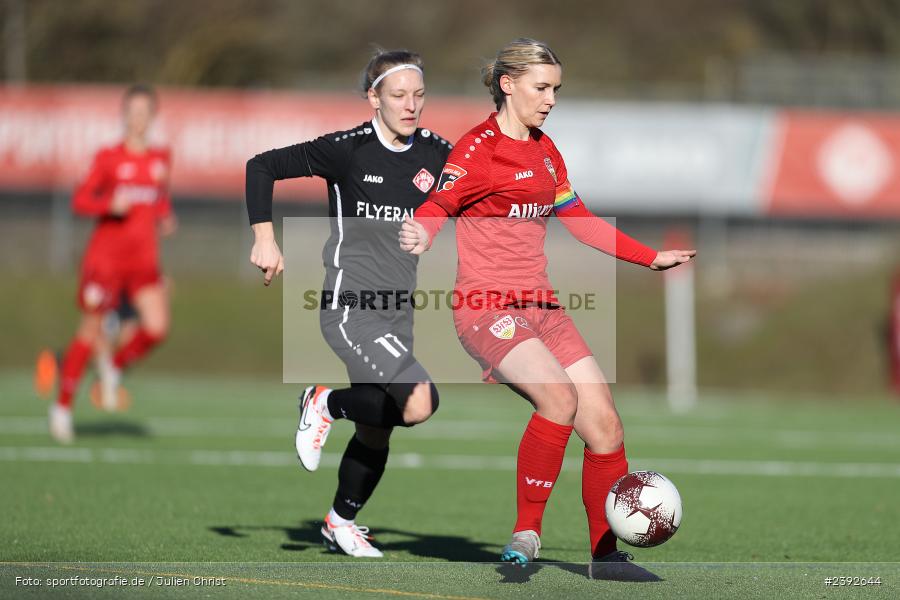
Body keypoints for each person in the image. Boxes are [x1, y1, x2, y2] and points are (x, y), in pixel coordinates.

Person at [400, 38, 696, 568]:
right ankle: (526, 533)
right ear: (507, 84)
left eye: (556, 89)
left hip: (543, 308)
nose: (551, 99)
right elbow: (440, 201)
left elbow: (580, 222)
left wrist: (649, 258)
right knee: (558, 398)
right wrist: (423, 231)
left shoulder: (545, 150)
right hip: (486, 308)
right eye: (541, 88)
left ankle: (606, 557)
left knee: (606, 426)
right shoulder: (477, 149)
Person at [245, 49, 451, 558]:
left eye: (419, 95)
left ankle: (339, 523)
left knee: (377, 430)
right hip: (350, 304)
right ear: (373, 98)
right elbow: (262, 166)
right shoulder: (347, 150)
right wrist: (265, 239)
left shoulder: (438, 153)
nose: (410, 105)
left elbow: (479, 193)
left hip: (398, 311)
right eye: (398, 95)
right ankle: (323, 402)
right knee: (420, 400)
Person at [46, 84, 176, 443]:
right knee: (89, 332)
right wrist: (108, 205)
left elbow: (160, 200)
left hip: (144, 261)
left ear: (152, 116)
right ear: (124, 116)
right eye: (132, 112)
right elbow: (80, 200)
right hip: (105, 262)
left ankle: (113, 368)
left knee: (157, 327)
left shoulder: (161, 158)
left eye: (144, 113)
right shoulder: (108, 157)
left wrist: (165, 216)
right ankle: (62, 408)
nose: (137, 119)